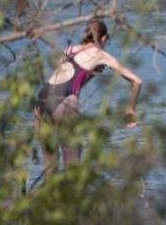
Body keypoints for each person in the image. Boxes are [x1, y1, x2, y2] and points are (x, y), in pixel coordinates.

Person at [35, 19, 142, 170]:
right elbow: (137, 81)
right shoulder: (101, 55)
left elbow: (68, 79)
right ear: (103, 38)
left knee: (50, 165)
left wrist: (92, 73)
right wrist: (130, 109)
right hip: (64, 103)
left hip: (41, 101)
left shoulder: (69, 50)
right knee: (73, 166)